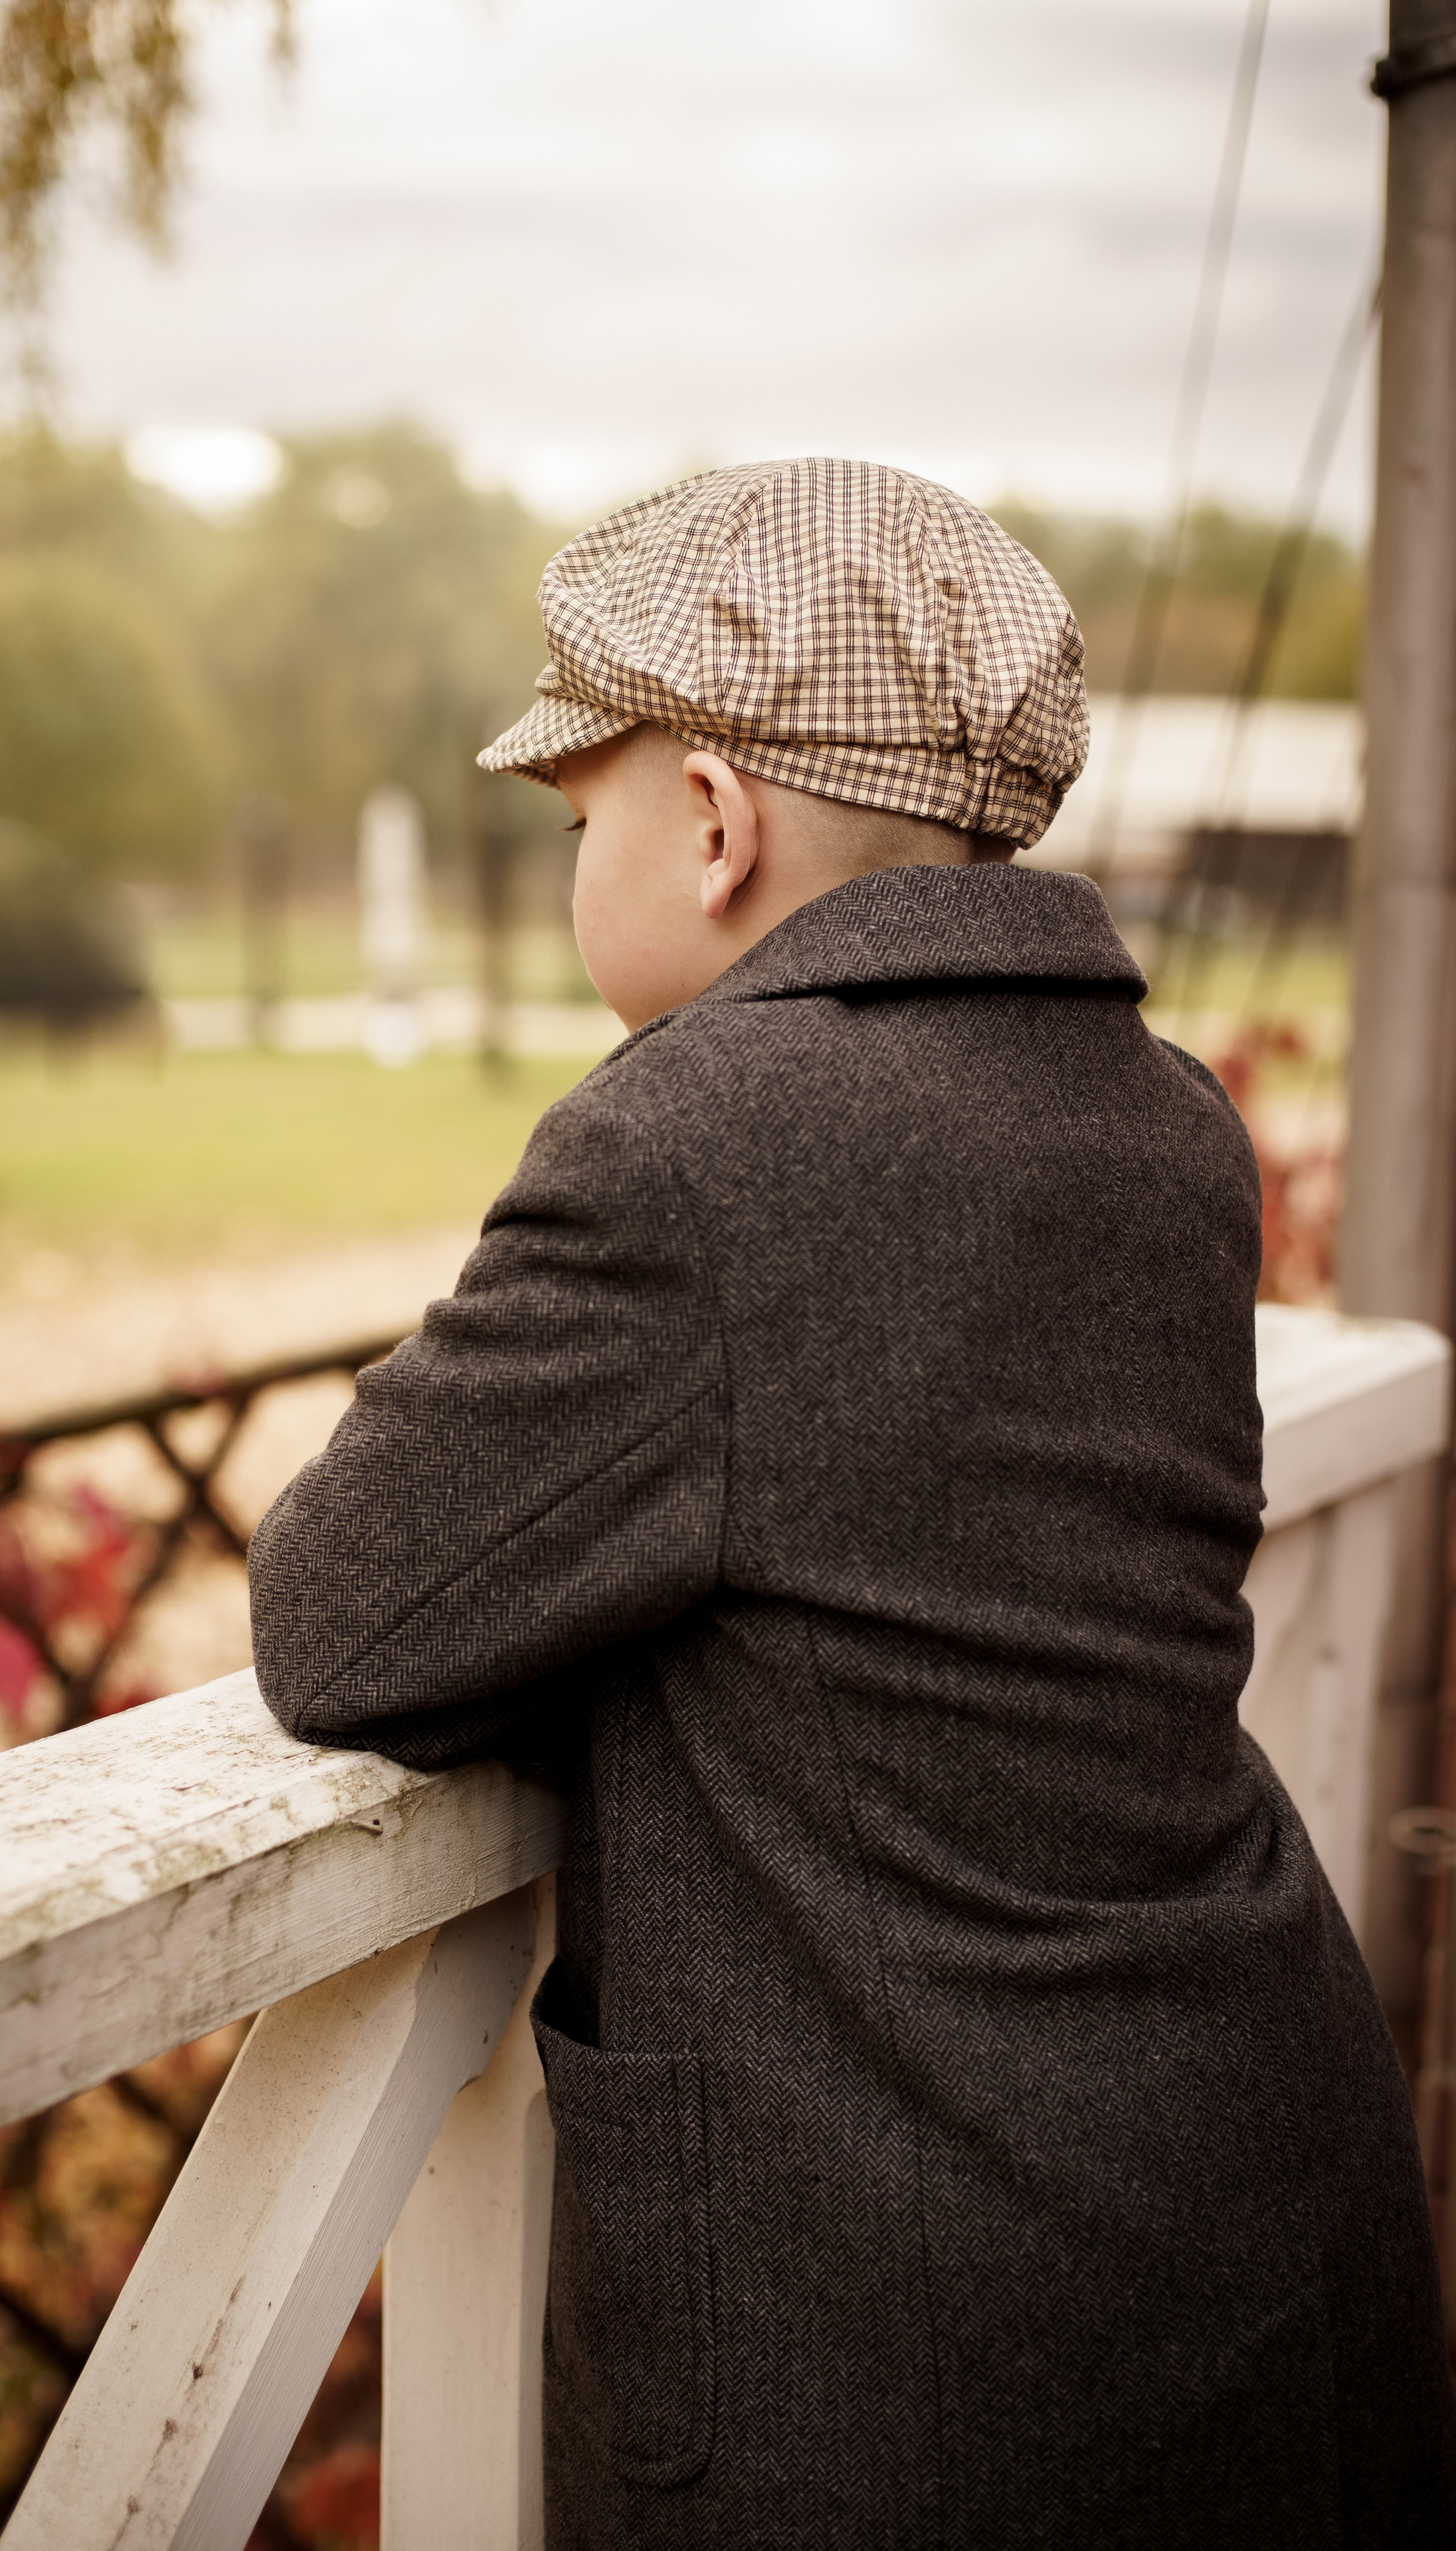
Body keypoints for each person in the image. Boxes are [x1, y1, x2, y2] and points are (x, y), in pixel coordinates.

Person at [248, 459, 1455, 2548]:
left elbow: (342, 1615)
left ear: (711, 827)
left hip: (901, 2323)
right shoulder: (1167, 1122)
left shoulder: (693, 1145)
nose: (570, 868)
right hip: (1248, 2167)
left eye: (578, 818)